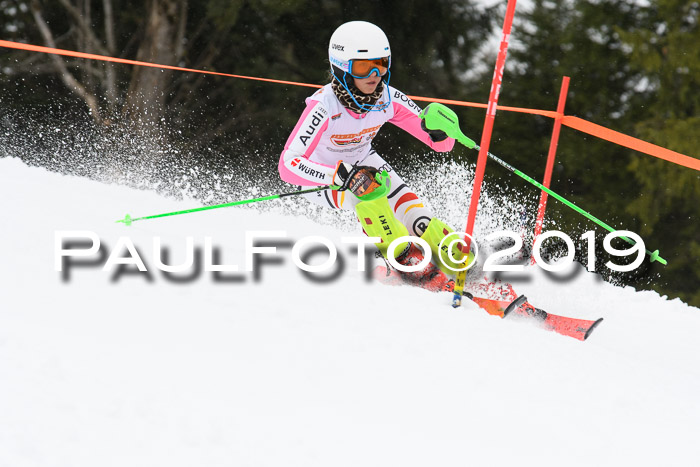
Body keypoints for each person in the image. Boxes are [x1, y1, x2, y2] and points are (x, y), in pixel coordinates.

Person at [278, 20, 468, 291]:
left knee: (415, 214)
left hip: (363, 162)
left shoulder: (388, 99)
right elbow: (288, 165)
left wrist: (440, 132)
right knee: (365, 190)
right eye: (363, 66)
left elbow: (441, 146)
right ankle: (401, 258)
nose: (375, 74)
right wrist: (336, 174)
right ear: (342, 67)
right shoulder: (323, 105)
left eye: (381, 63)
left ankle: (458, 258)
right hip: (319, 174)